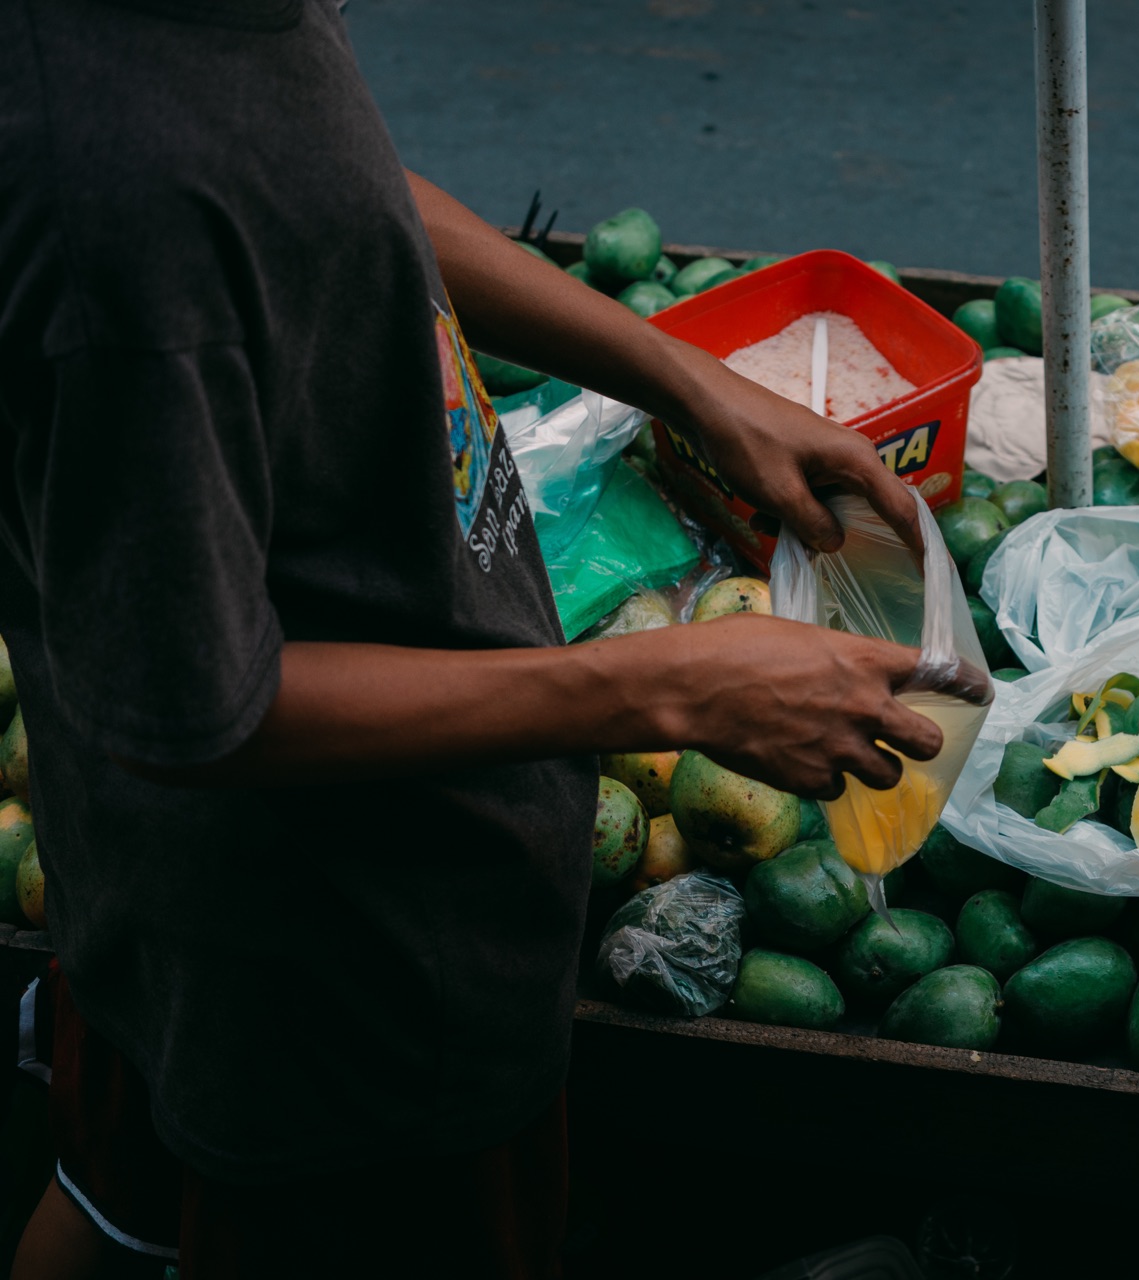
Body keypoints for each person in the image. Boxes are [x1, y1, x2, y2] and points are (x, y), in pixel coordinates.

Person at [0, 1, 973, 1274]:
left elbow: (346, 202)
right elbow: (209, 711)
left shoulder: (216, 34)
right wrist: (665, 687)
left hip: (193, 924)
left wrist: (682, 374)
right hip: (345, 983)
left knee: (124, 1191)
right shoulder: (124, 218)